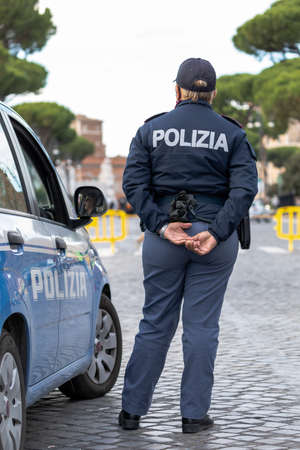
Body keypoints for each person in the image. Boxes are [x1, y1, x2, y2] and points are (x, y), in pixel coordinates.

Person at [119, 58, 258, 433]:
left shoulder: (151, 130)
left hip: (164, 237)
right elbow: (245, 188)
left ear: (176, 90)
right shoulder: (233, 134)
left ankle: (132, 412)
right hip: (214, 238)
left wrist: (163, 226)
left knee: (155, 322)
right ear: (213, 93)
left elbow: (133, 185)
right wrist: (216, 231)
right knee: (201, 326)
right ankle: (194, 416)